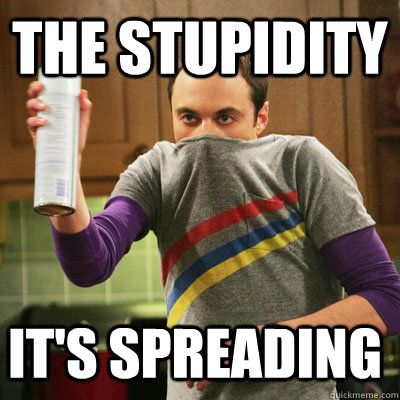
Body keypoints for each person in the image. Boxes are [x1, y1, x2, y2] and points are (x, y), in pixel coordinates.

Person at [26, 55, 400, 399]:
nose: (205, 137)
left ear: (261, 117)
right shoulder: (156, 171)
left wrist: (259, 347)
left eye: (225, 118)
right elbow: (90, 263)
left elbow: (387, 298)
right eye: (189, 118)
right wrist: (65, 166)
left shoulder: (302, 164)